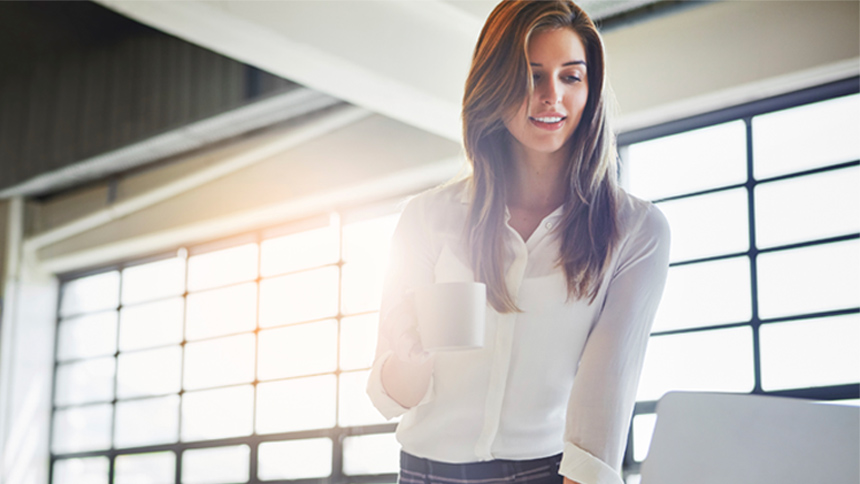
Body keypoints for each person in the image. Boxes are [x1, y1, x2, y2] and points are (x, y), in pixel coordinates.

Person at [366, 1, 670, 484]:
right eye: (531, 76)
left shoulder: (635, 231)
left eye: (571, 77)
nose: (552, 96)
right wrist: (410, 356)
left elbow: (602, 410)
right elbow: (390, 396)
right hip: (424, 473)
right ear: (494, 83)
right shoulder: (426, 218)